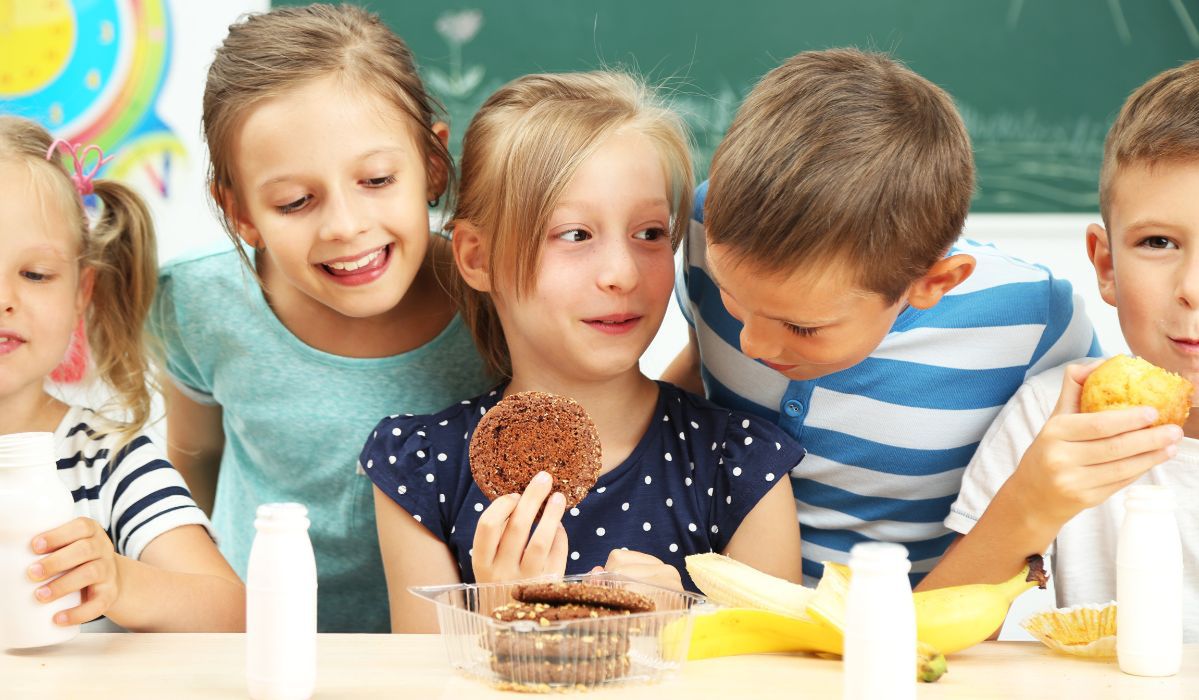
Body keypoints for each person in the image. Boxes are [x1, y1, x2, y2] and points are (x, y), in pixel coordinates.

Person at [360, 71, 805, 633]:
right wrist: (497, 611)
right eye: (575, 235)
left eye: (648, 233)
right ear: (477, 257)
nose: (621, 274)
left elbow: (776, 679)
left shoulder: (740, 464)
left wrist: (687, 622)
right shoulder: (421, 470)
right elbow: (418, 685)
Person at [663, 48, 1100, 585]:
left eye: (802, 327)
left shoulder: (1035, 321)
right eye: (733, 298)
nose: (753, 343)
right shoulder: (712, 225)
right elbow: (691, 377)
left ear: (930, 284)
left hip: (911, 634)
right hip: (717, 613)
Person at [148, 4, 491, 632]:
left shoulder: (496, 299)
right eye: (295, 201)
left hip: (443, 655)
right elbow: (192, 460)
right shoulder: (197, 303)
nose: (344, 226)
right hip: (260, 645)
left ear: (433, 165)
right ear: (241, 211)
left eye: (378, 178)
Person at [920, 60, 1199, 641]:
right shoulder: (1052, 420)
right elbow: (924, 645)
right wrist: (1030, 504)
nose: (1191, 287)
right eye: (1158, 242)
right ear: (1105, 264)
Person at [0, 115, 243, 631]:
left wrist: (119, 581)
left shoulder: (107, 461)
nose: (4, 300)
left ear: (80, 292)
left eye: (35, 274)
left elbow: (232, 613)